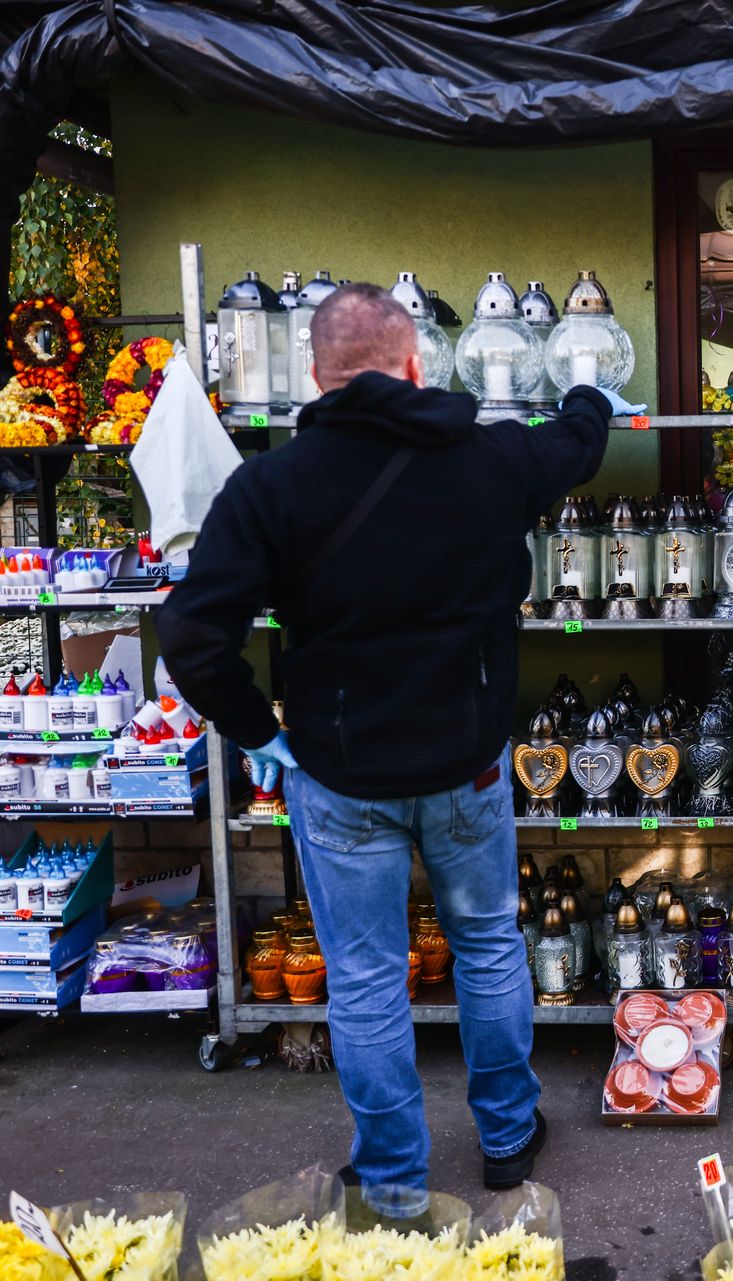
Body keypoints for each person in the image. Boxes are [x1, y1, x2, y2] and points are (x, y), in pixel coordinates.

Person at [156, 282, 639, 1191]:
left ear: (316, 372)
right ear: (416, 363)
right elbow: (576, 443)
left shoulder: (271, 487)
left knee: (369, 981)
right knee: (491, 945)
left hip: (340, 777)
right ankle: (505, 1140)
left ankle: (392, 1177)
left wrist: (262, 730)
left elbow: (191, 634)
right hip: (469, 767)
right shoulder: (492, 460)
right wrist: (585, 395)